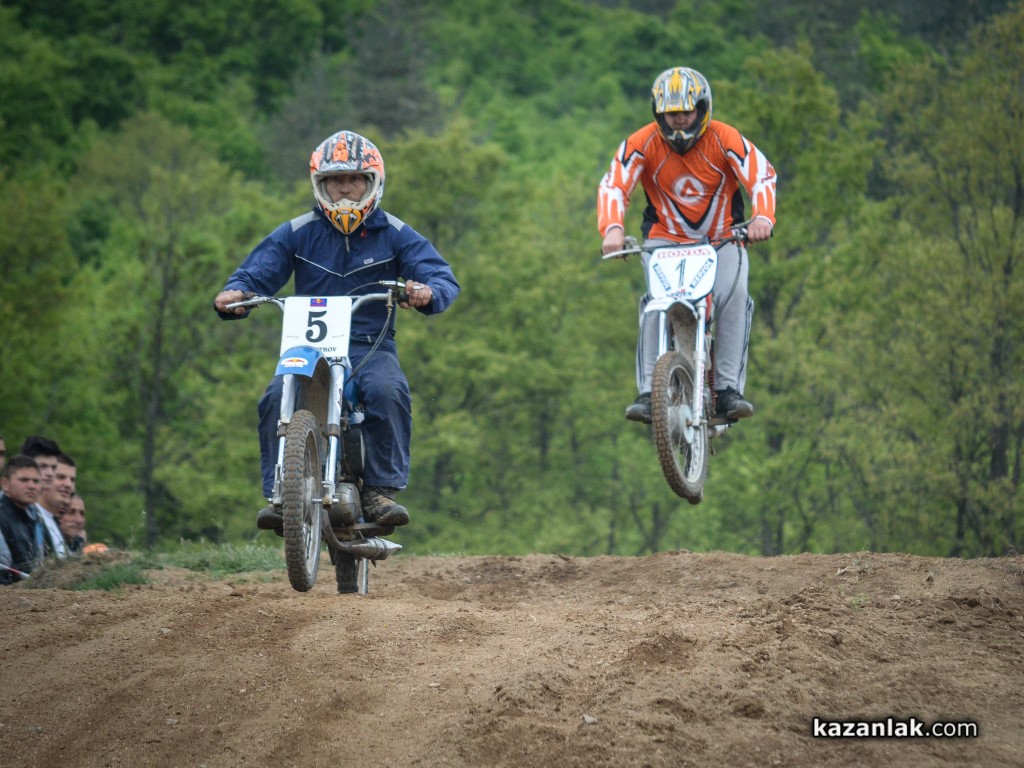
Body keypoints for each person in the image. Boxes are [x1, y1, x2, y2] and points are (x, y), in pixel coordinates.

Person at [214, 130, 460, 531]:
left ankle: (380, 491)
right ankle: (281, 492)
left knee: (389, 391)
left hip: (369, 344)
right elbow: (255, 274)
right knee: (274, 397)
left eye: (355, 180)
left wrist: (426, 292)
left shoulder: (395, 233)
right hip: (306, 347)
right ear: (320, 184)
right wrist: (236, 294)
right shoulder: (297, 232)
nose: (345, 189)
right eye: (335, 180)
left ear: (373, 182)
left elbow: (443, 279)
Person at [598, 67, 777, 424]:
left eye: (686, 111)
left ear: (702, 108)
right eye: (671, 113)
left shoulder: (724, 137)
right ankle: (649, 392)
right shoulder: (643, 142)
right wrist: (612, 228)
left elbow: (761, 175)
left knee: (735, 294)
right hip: (665, 238)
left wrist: (763, 218)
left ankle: (727, 389)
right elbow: (614, 185)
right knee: (655, 303)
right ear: (658, 113)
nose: (679, 120)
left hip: (722, 236)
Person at [20, 437, 69, 558]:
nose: (50, 473)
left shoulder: (46, 517)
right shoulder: (13, 509)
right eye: (43, 466)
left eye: (53, 467)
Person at [0, 455, 44, 584]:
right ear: (5, 484)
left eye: (36, 481)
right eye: (24, 480)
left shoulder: (37, 518)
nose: (31, 486)